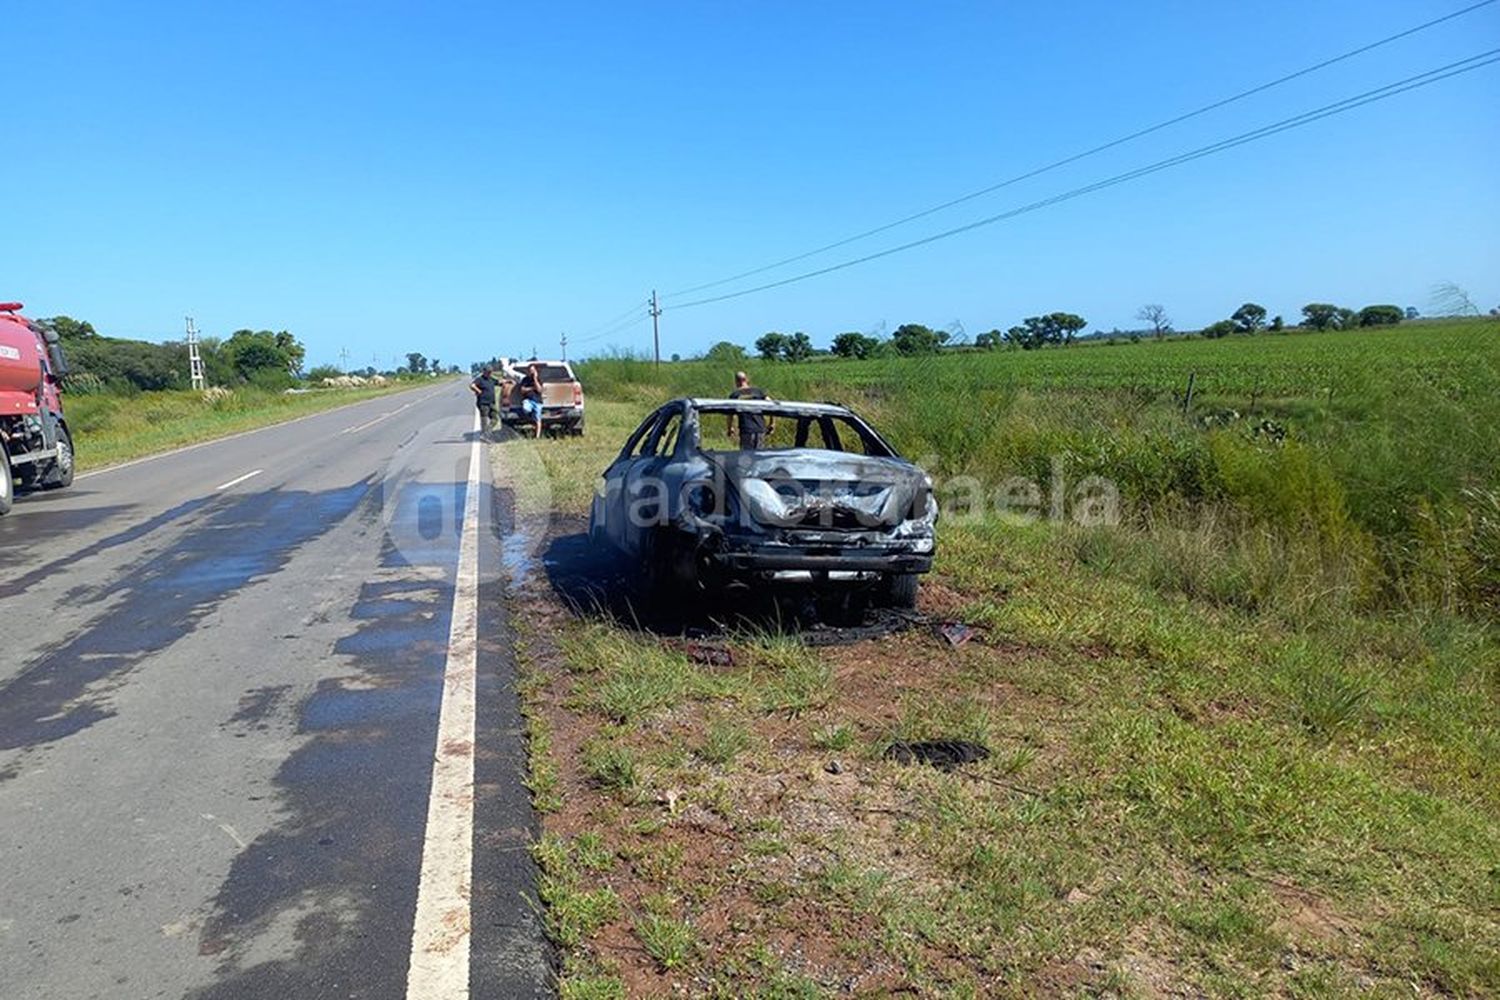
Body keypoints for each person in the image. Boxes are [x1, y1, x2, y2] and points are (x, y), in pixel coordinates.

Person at [725, 370, 772, 449]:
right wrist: (772, 423)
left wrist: (730, 428)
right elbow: (771, 404)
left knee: (746, 457)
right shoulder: (758, 392)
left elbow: (730, 415)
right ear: (746, 380)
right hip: (760, 429)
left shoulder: (735, 395)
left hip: (746, 430)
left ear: (736, 381)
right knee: (759, 455)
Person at [518, 362, 545, 439]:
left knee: (538, 418)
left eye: (533, 370)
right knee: (526, 409)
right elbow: (522, 390)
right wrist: (531, 388)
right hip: (528, 400)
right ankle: (531, 417)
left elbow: (539, 390)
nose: (531, 372)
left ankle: (537, 436)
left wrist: (535, 379)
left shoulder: (539, 379)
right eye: (530, 370)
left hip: (537, 401)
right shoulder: (525, 380)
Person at [470, 367, 498, 437]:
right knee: (484, 419)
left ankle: (487, 431)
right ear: (484, 372)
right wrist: (478, 390)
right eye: (488, 372)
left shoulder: (491, 379)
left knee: (495, 418)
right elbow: (472, 385)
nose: (489, 373)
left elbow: (499, 382)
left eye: (490, 372)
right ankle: (484, 434)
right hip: (483, 403)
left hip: (491, 403)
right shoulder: (480, 379)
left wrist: (508, 381)